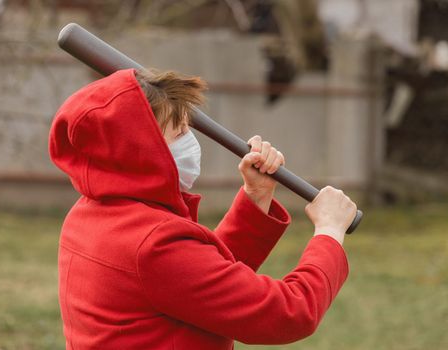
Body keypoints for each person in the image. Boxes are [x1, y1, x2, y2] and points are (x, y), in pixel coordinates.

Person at [48, 68, 357, 349]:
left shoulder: (89, 214)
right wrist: (329, 232)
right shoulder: (153, 243)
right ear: (137, 151)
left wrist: (256, 196)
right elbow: (288, 313)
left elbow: (198, 282)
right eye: (179, 133)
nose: (190, 141)